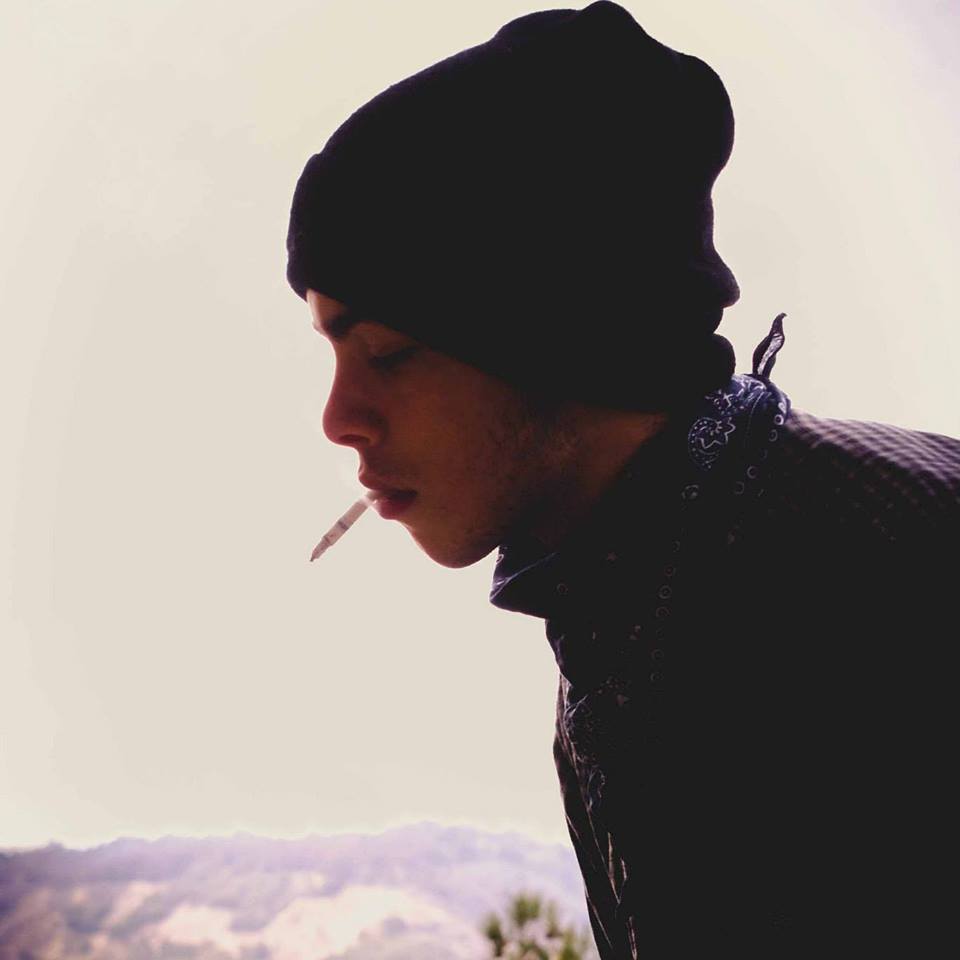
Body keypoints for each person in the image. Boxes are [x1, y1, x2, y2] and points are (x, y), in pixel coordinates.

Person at [285, 2, 959, 955]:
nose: (336, 418)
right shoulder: (634, 605)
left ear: (550, 330)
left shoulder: (890, 580)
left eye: (387, 351)